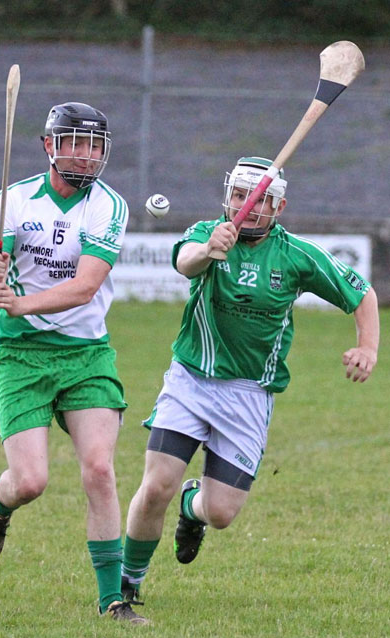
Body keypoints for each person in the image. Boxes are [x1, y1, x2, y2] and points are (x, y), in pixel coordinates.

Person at [120, 156, 379, 609]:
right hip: (191, 380)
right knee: (157, 483)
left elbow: (362, 293)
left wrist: (368, 347)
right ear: (228, 196)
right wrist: (208, 250)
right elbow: (184, 263)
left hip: (249, 394)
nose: (247, 207)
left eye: (259, 200)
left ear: (278, 208)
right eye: (240, 196)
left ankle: (191, 508)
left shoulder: (296, 255)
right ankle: (127, 583)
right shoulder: (207, 232)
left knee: (220, 513)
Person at [0, 101, 147, 625]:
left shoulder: (108, 205)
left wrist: (18, 302)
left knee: (99, 468)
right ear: (50, 146)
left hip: (85, 353)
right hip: (21, 354)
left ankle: (111, 599)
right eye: (75, 143)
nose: (87, 156)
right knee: (29, 482)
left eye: (95, 145)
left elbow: (86, 285)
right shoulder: (12, 200)